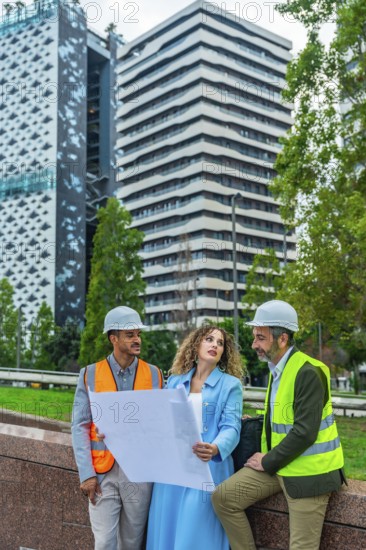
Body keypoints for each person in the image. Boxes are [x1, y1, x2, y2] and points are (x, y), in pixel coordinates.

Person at [212, 300, 346, 550]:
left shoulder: (308, 371)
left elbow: (305, 432)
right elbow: (284, 420)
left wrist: (267, 460)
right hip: (280, 465)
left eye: (260, 338)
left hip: (309, 474)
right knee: (223, 498)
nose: (254, 345)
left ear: (282, 338)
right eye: (255, 337)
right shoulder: (277, 371)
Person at [71, 306, 163, 550]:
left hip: (139, 473)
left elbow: (159, 424)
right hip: (103, 474)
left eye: (138, 334)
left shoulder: (155, 375)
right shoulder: (89, 374)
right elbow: (79, 425)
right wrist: (87, 473)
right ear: (114, 338)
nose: (137, 340)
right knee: (104, 542)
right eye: (130, 335)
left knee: (132, 543)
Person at [146, 325, 244, 550]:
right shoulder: (174, 381)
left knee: (195, 532)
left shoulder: (231, 386)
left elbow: (232, 427)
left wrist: (215, 448)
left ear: (223, 353)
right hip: (172, 471)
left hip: (207, 469)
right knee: (167, 530)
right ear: (196, 344)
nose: (215, 345)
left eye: (220, 343)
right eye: (209, 339)